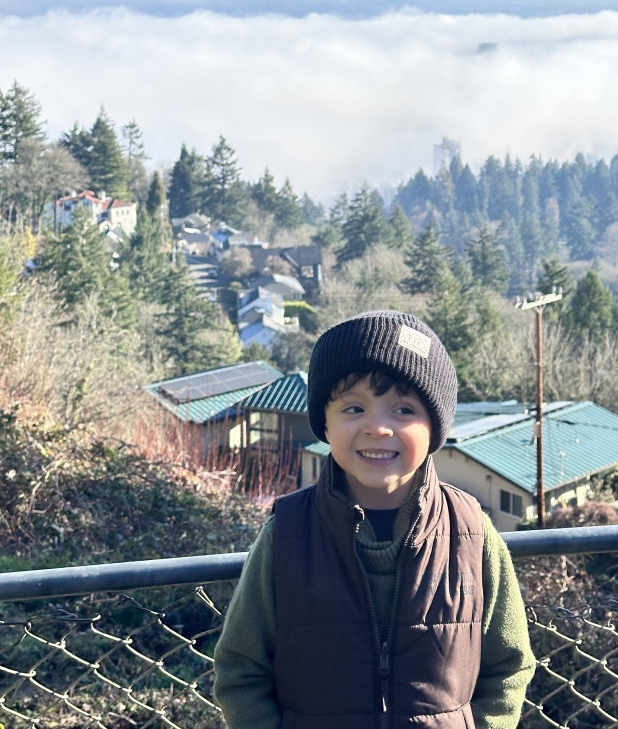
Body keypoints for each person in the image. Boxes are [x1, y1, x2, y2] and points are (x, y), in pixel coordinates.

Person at [214, 309, 535, 728]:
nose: (377, 427)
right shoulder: (288, 534)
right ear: (324, 422)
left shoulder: (471, 534)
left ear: (434, 426)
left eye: (403, 409)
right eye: (353, 408)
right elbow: (241, 670)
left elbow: (509, 665)